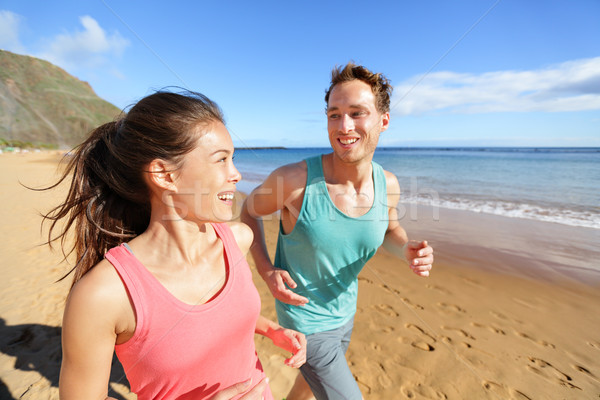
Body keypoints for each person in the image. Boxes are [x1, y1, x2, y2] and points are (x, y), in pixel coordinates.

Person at [43, 90, 306, 400]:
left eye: (232, 159)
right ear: (164, 174)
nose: (235, 174)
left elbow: (214, 321)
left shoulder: (237, 240)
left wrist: (270, 329)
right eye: (221, 159)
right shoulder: (102, 295)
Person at [240, 63, 434, 400]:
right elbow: (248, 211)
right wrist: (266, 269)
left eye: (357, 113)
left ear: (383, 121)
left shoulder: (387, 183)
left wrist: (406, 250)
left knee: (305, 388)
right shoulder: (294, 180)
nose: (344, 126)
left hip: (345, 313)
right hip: (305, 323)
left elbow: (390, 230)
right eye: (334, 114)